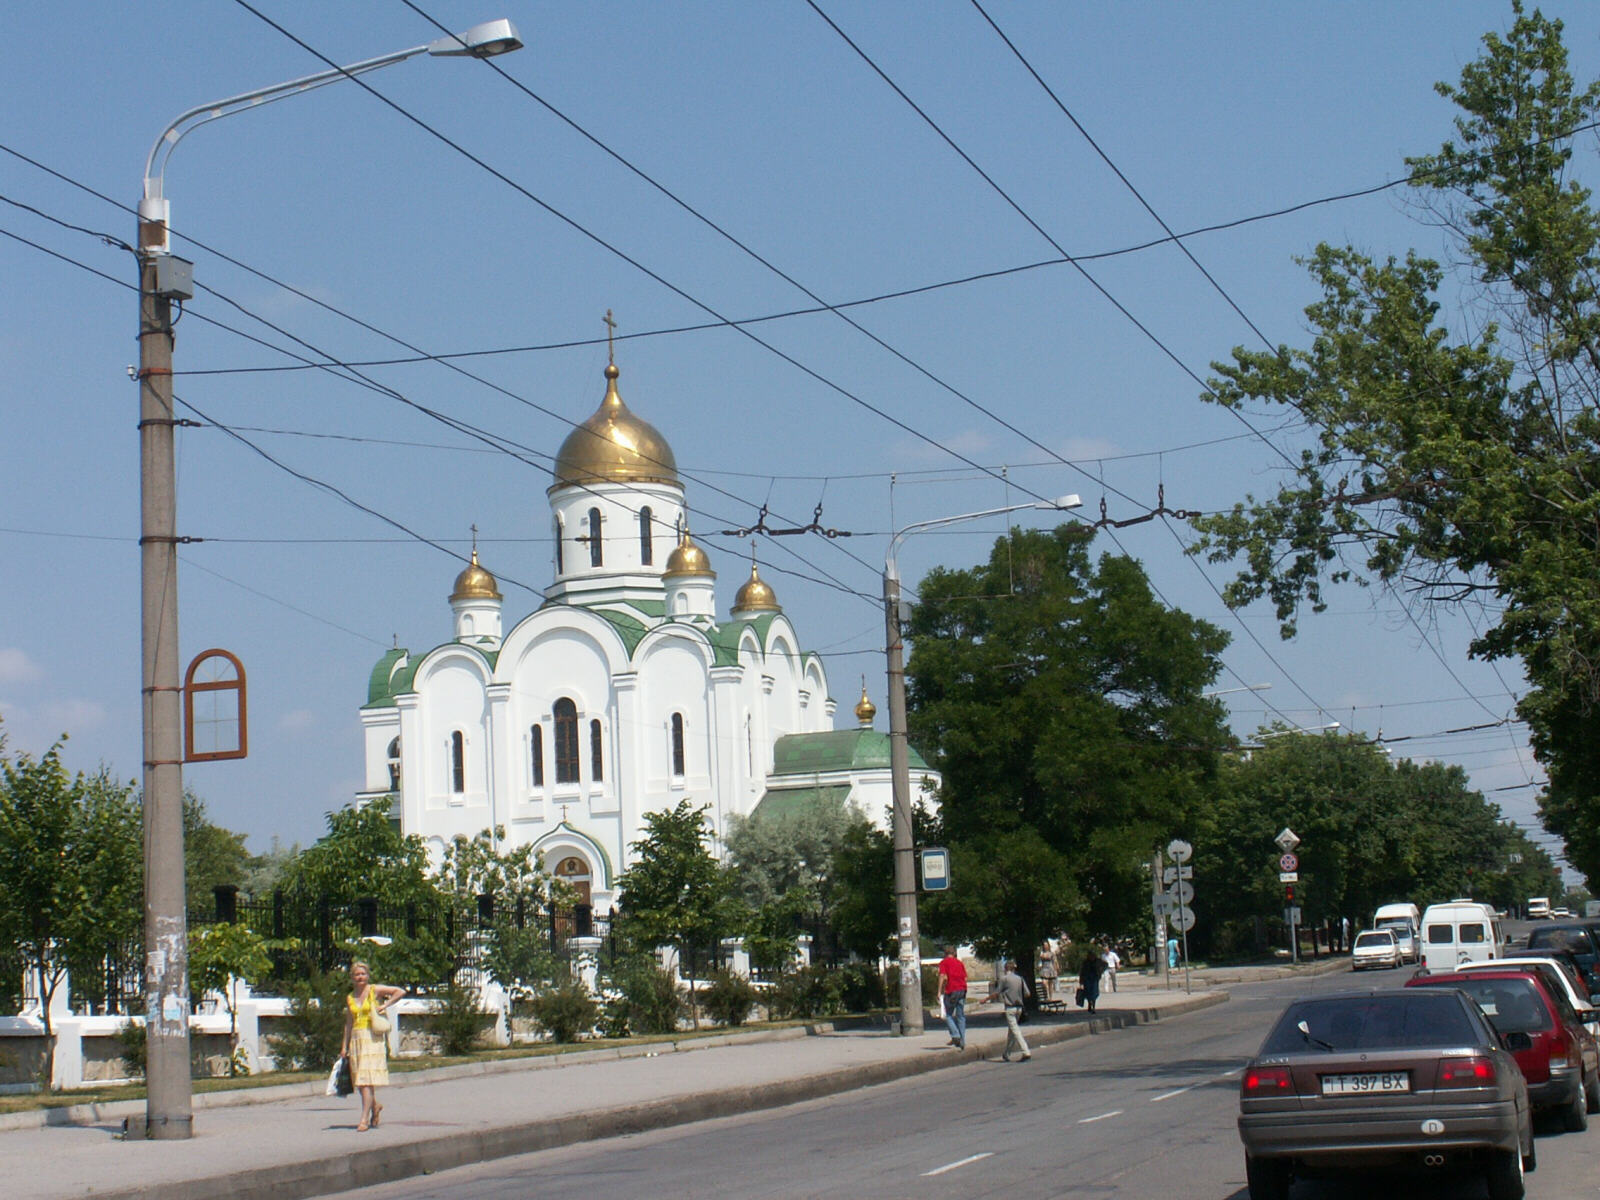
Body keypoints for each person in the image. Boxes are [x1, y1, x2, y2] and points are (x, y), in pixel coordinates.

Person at [342, 960, 404, 1132]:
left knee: (366, 1080)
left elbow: (400, 991)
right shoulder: (350, 997)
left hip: (372, 1039)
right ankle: (374, 1106)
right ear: (352, 978)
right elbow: (348, 1023)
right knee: (361, 1081)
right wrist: (344, 1047)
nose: (360, 977)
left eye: (363, 974)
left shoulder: (374, 990)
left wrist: (384, 1005)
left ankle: (363, 1119)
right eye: (356, 975)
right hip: (356, 1039)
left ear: (367, 976)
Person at [986, 959, 1031, 1062]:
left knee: (1015, 1030)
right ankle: (1006, 1053)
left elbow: (996, 993)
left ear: (1005, 968)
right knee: (1012, 1032)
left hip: (1010, 1007)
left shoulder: (1004, 979)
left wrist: (986, 999)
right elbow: (1028, 993)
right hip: (1019, 1007)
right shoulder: (1020, 979)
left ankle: (1026, 1051)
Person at [937, 945, 967, 1050]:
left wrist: (939, 991)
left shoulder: (944, 963)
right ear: (954, 953)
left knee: (948, 1014)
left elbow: (942, 976)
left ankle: (955, 1035)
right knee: (961, 1016)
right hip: (962, 990)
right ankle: (962, 1040)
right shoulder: (959, 963)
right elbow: (965, 977)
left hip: (951, 990)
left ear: (945, 953)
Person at [1078, 946, 1106, 1014]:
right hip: (1087, 980)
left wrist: (1100, 971)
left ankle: (1093, 1006)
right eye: (1090, 955)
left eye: (1092, 955)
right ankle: (1090, 1005)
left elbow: (1105, 964)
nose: (1091, 957)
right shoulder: (1085, 963)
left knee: (1094, 993)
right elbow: (1082, 971)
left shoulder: (1097, 961)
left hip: (1094, 979)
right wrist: (1081, 981)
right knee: (1088, 993)